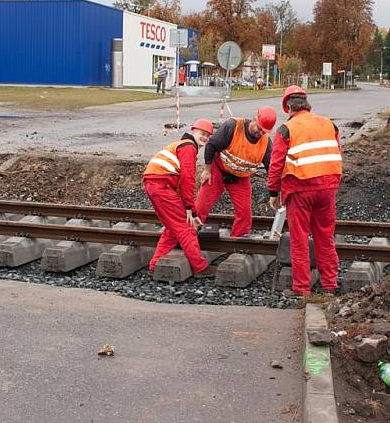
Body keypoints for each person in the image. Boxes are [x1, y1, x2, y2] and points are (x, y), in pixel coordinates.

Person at [267, 86, 342, 296]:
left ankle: (301, 288)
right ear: (307, 104)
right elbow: (334, 153)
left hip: (300, 189)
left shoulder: (287, 128)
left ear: (289, 107)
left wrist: (273, 192)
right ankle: (329, 285)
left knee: (299, 239)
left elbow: (276, 163)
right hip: (327, 187)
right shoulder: (330, 124)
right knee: (325, 236)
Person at [144, 119, 217, 277]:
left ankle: (154, 265)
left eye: (208, 136)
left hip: (155, 185)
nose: (205, 137)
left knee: (172, 229)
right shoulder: (189, 147)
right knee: (186, 227)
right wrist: (189, 208)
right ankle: (200, 268)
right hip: (161, 185)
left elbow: (180, 183)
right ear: (193, 131)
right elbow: (187, 179)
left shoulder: (182, 145)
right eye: (202, 134)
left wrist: (195, 213)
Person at [194, 107, 277, 236]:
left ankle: (238, 241)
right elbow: (211, 146)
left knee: (245, 212)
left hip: (241, 177)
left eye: (264, 131)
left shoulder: (265, 143)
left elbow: (270, 168)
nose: (260, 133)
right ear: (255, 119)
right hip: (218, 169)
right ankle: (189, 233)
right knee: (201, 205)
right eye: (259, 129)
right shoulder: (233, 126)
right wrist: (207, 170)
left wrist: (275, 192)